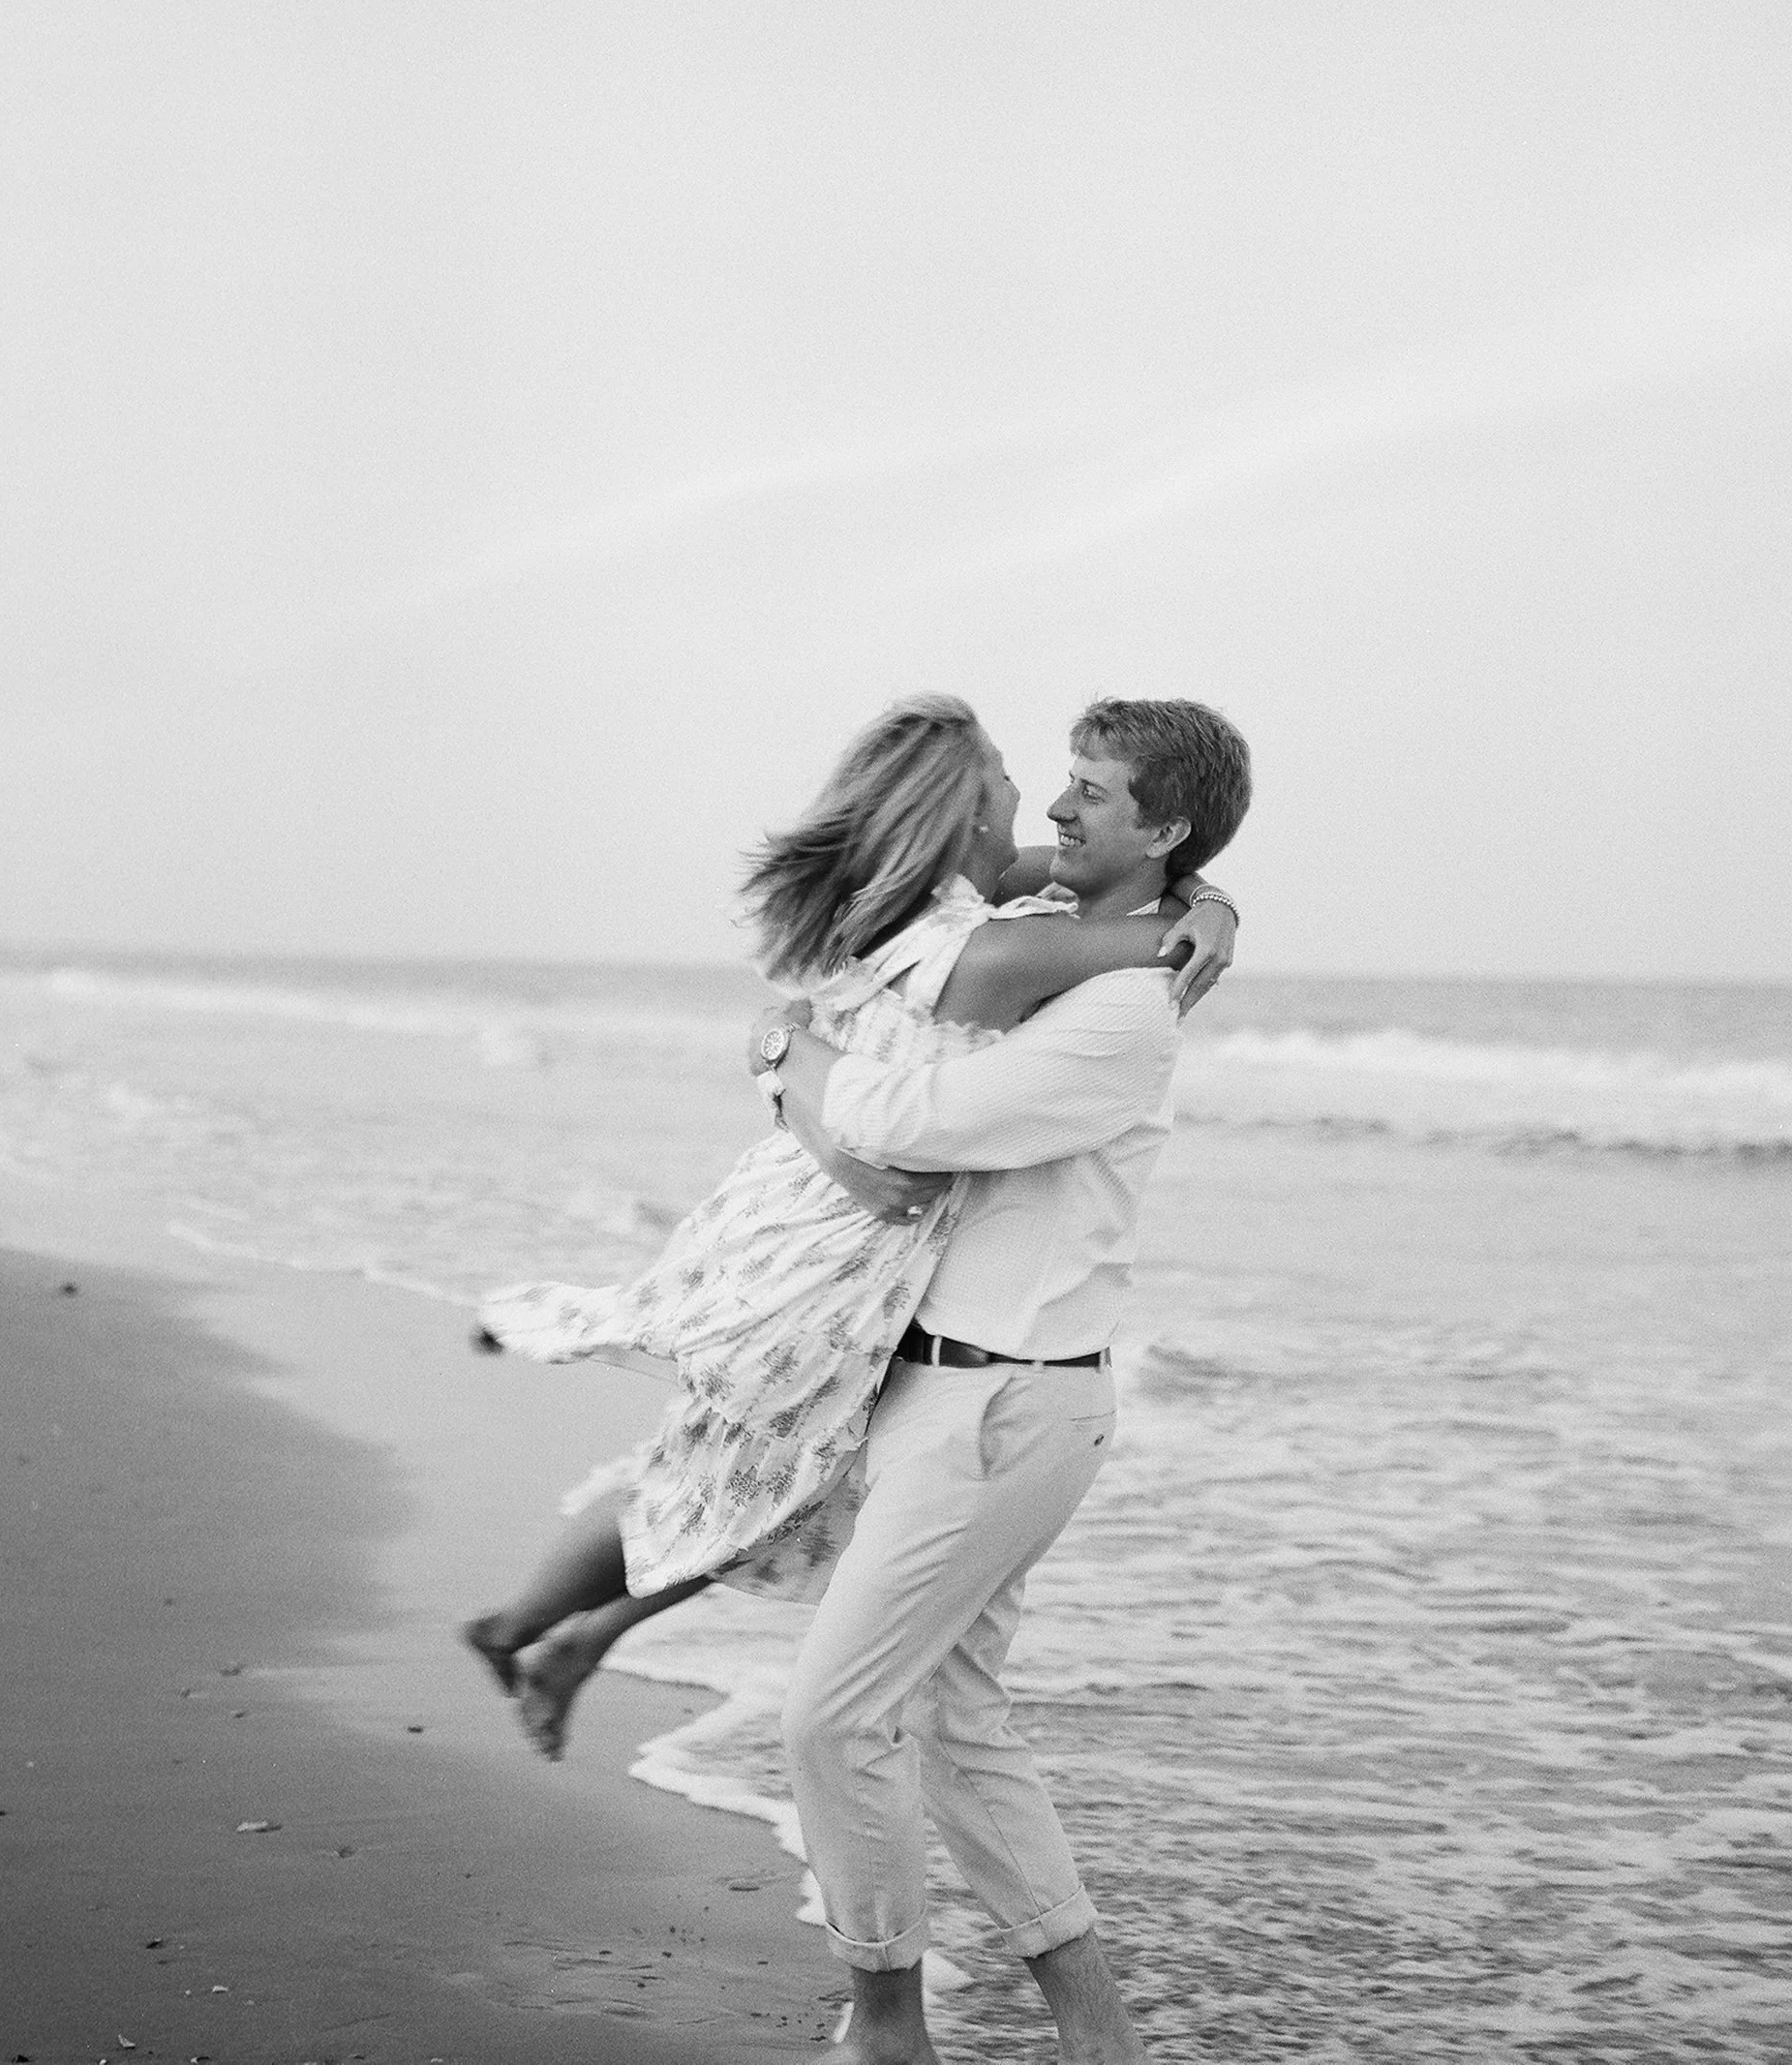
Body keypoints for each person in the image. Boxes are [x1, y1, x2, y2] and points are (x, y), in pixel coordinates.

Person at [462, 694, 1239, 1769]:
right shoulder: (980, 949)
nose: (1039, 802)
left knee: (776, 1480)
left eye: (1071, 788)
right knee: (740, 1468)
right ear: (966, 815)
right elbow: (1146, 947)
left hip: (809, 1226)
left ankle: (569, 1638)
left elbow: (1093, 890)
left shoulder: (922, 903)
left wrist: (1207, 889)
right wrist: (1204, 914)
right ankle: (527, 1626)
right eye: (1010, 779)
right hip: (830, 1254)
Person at [746, 695, 1250, 2065]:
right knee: (955, 1723)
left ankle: (887, 2027)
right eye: (1060, 781)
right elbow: (949, 933)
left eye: (1093, 790)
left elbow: (910, 1123)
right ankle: (1099, 2038)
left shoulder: (1124, 1010)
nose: (1059, 809)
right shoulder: (1055, 939)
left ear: (1165, 827)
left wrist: (792, 1053)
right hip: (953, 1388)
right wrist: (1213, 904)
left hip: (1005, 1401)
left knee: (830, 1717)